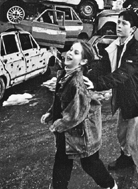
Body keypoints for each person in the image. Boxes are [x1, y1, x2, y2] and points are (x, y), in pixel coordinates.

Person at [87, 9, 138, 189]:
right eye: (118, 22)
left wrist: (96, 85)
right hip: (124, 98)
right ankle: (126, 158)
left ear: (133, 29)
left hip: (137, 99)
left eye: (124, 23)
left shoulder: (135, 49)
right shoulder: (115, 45)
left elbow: (121, 74)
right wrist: (86, 73)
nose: (119, 26)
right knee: (122, 132)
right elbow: (103, 66)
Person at [41, 40, 117, 189]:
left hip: (83, 133)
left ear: (83, 61)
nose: (69, 53)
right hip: (69, 130)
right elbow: (60, 100)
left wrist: (58, 125)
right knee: (62, 161)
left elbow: (77, 113)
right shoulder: (64, 74)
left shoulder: (77, 83)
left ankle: (110, 186)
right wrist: (51, 113)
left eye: (76, 53)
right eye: (70, 50)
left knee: (90, 163)